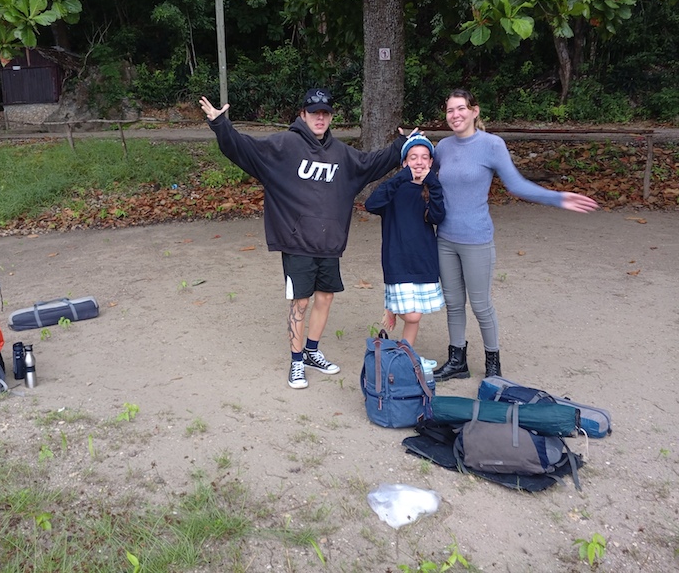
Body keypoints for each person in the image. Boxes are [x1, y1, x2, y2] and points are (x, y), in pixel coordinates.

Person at [199, 89, 408, 390]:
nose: (320, 118)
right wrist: (221, 125)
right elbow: (244, 149)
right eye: (314, 112)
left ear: (331, 117)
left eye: (325, 113)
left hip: (329, 242)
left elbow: (371, 163)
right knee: (301, 302)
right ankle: (296, 362)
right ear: (302, 115)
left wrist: (401, 144)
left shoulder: (341, 154)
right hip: (297, 241)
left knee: (325, 297)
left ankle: (311, 351)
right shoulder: (284, 146)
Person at [431, 89, 599, 382]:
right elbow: (423, 178)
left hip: (476, 239)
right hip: (445, 238)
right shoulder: (442, 147)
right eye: (449, 111)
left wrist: (558, 198)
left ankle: (493, 362)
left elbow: (517, 186)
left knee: (481, 305)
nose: (455, 115)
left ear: (475, 111)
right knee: (454, 303)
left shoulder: (491, 145)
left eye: (460, 109)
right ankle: (457, 360)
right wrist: (404, 145)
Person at [364, 133, 445, 368]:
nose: (419, 162)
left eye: (424, 158)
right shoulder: (394, 189)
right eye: (412, 157)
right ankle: (393, 308)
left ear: (431, 163)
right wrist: (401, 178)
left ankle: (405, 359)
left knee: (415, 315)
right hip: (397, 258)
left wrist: (434, 183)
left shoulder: (431, 190)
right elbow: (371, 204)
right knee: (411, 315)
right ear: (404, 163)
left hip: (423, 260)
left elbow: (439, 216)